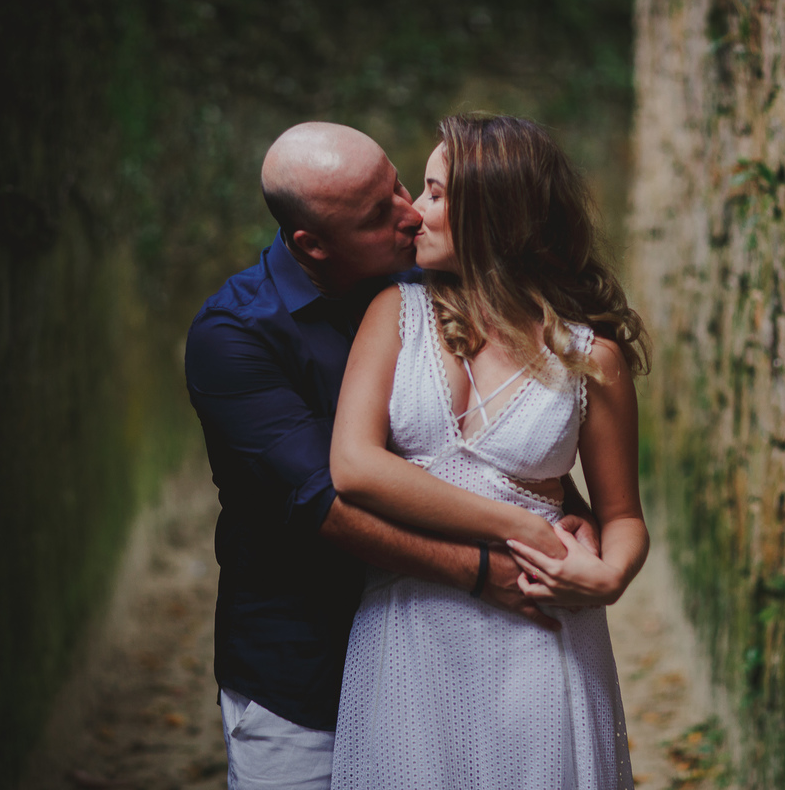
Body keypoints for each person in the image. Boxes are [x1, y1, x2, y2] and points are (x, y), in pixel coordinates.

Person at [184, 122, 609, 790]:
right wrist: (481, 570)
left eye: (401, 186)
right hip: (305, 664)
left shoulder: (430, 274)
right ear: (312, 245)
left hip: (459, 648)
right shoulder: (234, 337)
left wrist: (570, 510)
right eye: (380, 214)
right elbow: (327, 505)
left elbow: (513, 425)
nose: (411, 213)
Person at [328, 113, 651, 789]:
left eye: (437, 193)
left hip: (542, 638)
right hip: (408, 630)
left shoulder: (591, 359)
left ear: (496, 214)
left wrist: (611, 577)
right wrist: (524, 525)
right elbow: (354, 468)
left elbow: (623, 516)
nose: (416, 212)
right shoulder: (394, 315)